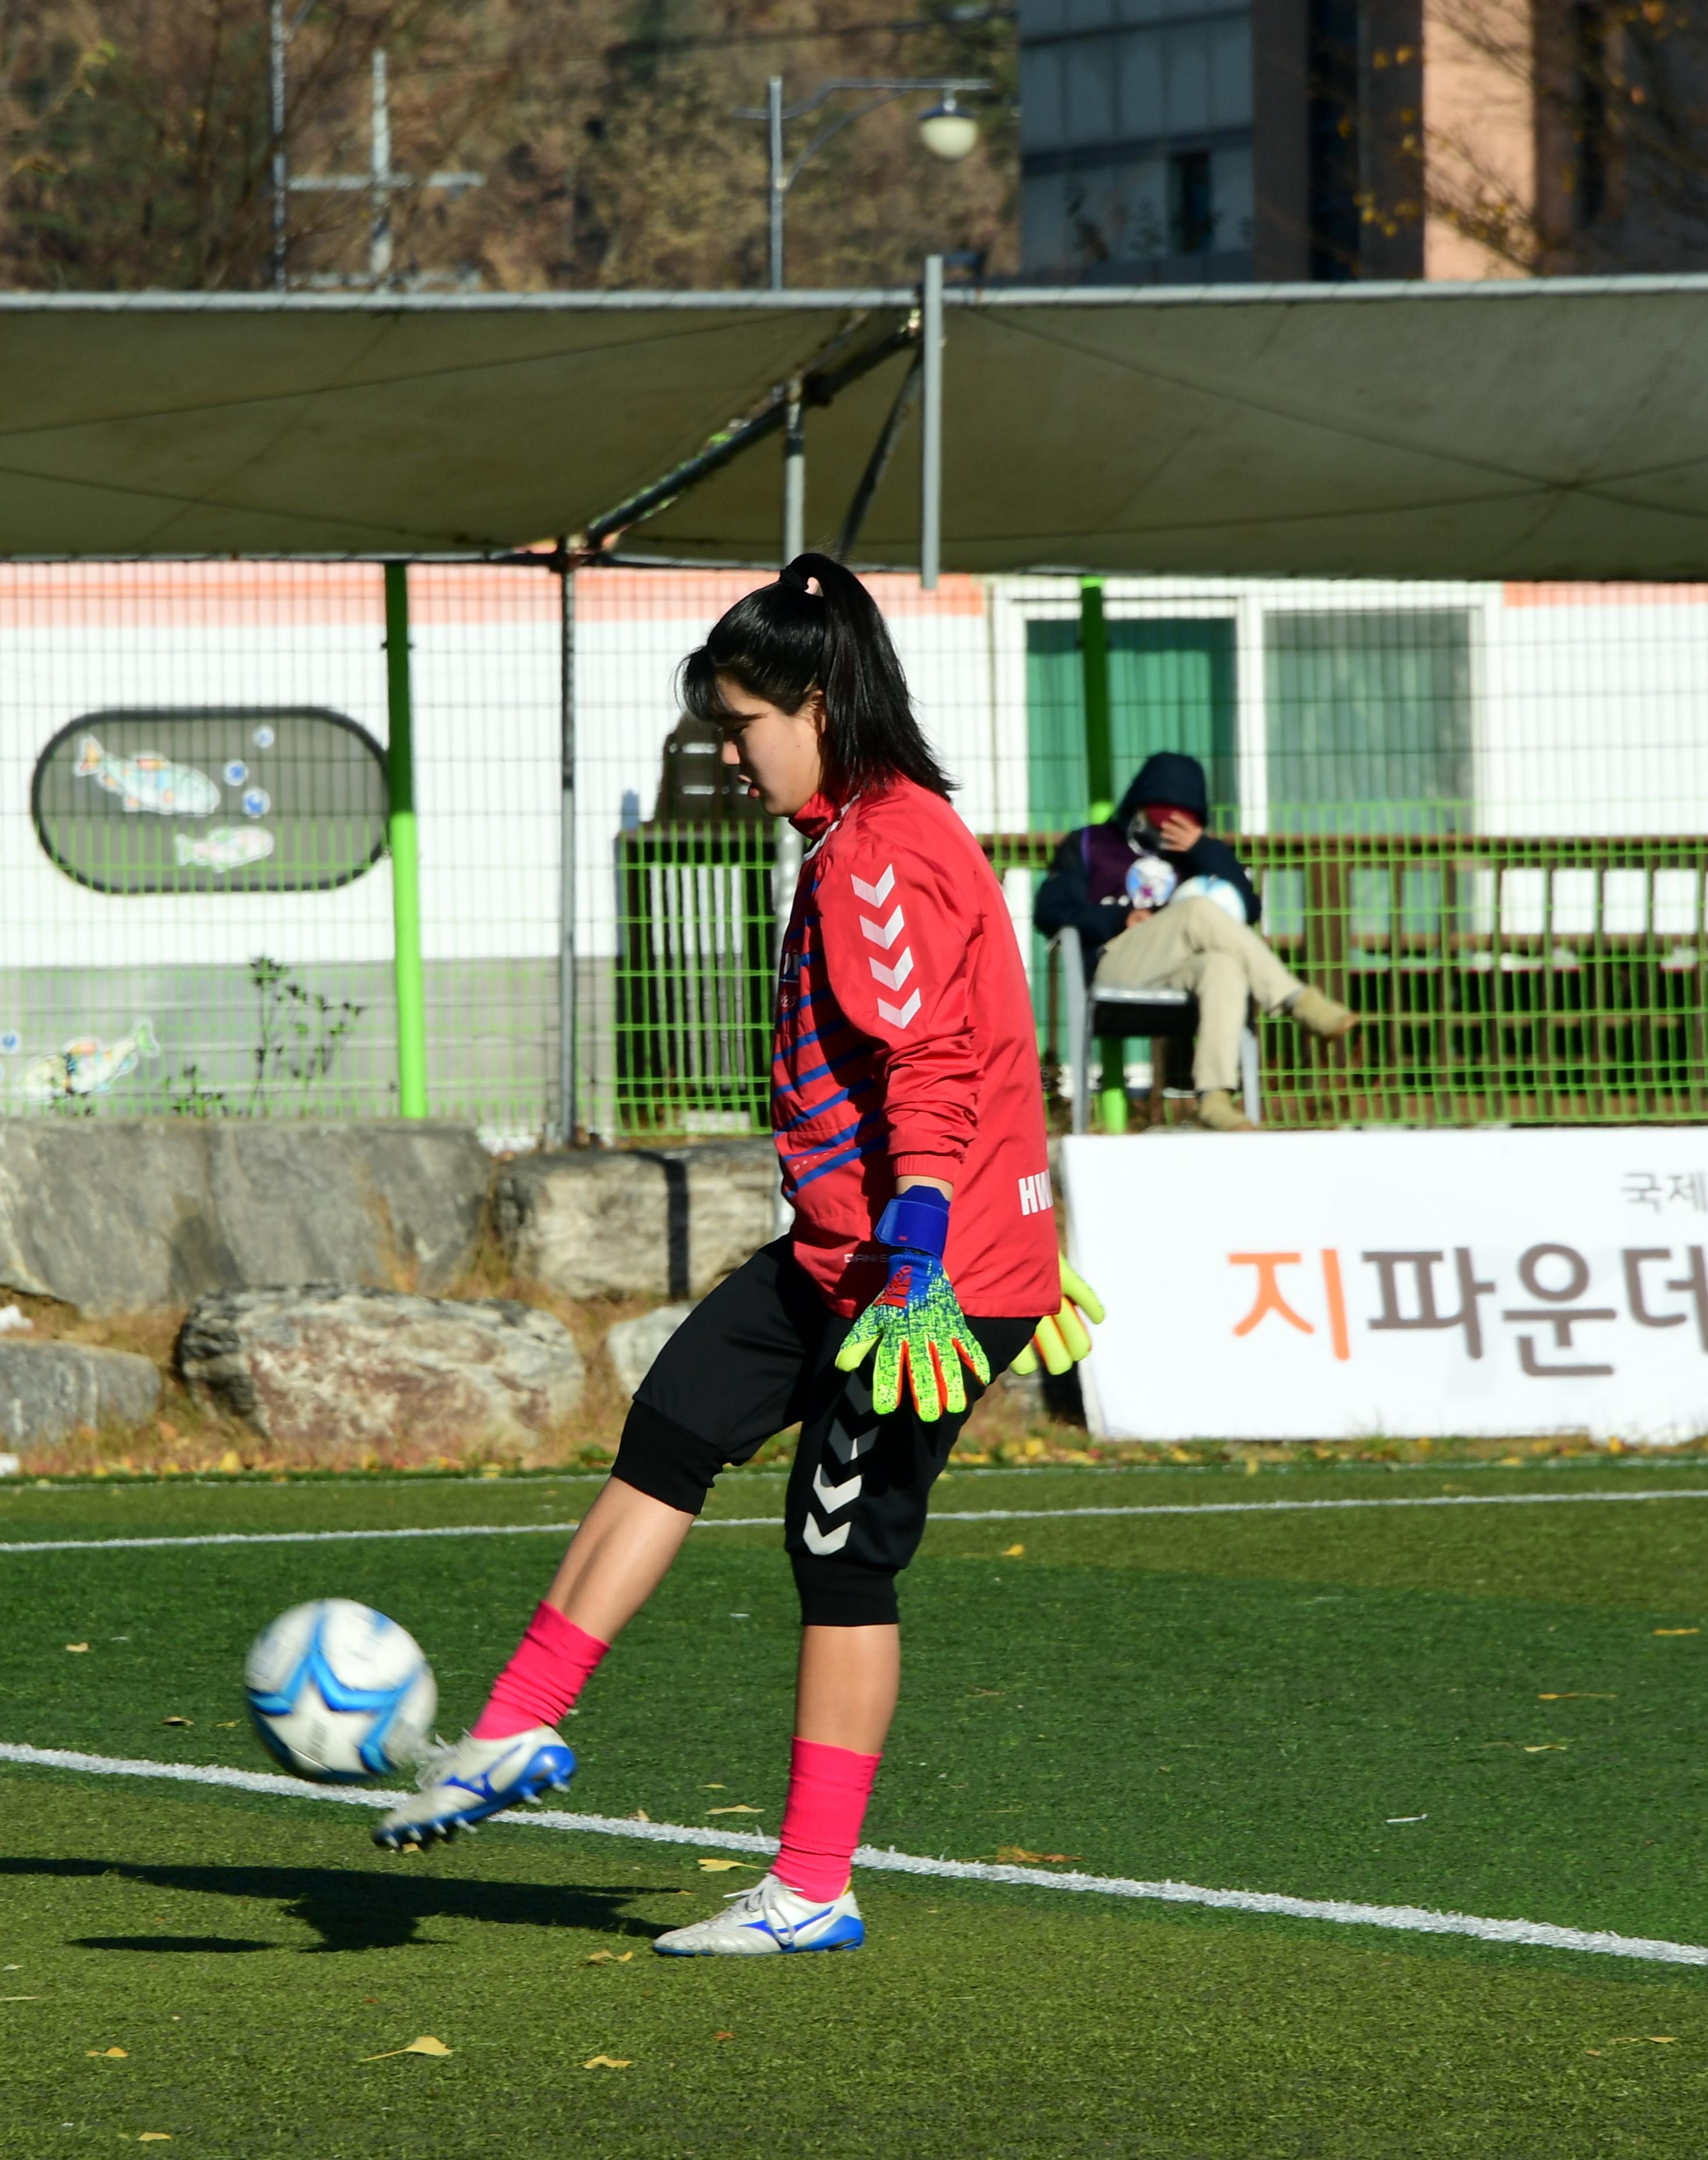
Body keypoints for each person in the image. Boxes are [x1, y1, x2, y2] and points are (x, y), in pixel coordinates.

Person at [373, 553, 1103, 1956]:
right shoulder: (877, 831)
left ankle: (812, 1887)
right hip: (848, 1254)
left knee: (837, 1551)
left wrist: (938, 1237)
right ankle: (514, 1729)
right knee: (674, 1421)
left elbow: (934, 1066)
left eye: (742, 720)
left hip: (914, 1284)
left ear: (819, 704)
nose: (728, 748)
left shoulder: (881, 852)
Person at [1032, 750, 1353, 1131]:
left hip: (1175, 971)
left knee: (1223, 966)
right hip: (1113, 961)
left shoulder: (1200, 854)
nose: (1170, 823)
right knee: (1197, 909)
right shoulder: (1090, 844)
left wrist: (1204, 849)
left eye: (1183, 815)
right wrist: (1118, 917)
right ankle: (1297, 999)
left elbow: (1246, 909)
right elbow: (1050, 909)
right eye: (1162, 811)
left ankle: (1214, 1098)